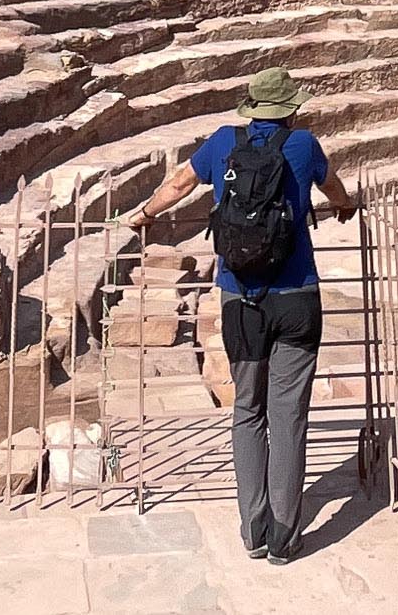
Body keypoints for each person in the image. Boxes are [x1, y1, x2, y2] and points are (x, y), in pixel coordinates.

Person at [124, 67, 357, 565]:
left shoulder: (223, 143)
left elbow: (180, 182)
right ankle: (284, 537)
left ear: (251, 110)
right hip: (296, 297)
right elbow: (334, 189)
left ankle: (252, 531)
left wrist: (143, 214)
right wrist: (345, 206)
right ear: (290, 109)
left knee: (247, 411)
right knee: (288, 416)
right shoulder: (304, 145)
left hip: (240, 299)